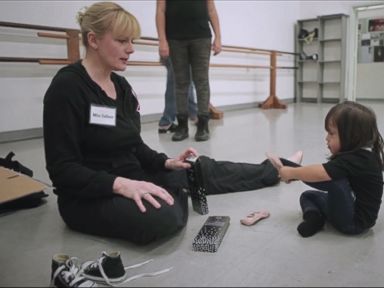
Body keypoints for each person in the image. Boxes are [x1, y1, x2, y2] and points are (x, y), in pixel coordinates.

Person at [43, 2, 302, 246]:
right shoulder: (67, 88)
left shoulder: (121, 87)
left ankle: (276, 170)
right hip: (90, 195)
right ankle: (176, 190)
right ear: (93, 40)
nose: (131, 49)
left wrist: (163, 163)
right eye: (122, 41)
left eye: (132, 41)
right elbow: (62, 169)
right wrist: (121, 185)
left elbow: (132, 143)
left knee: (202, 168)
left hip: (133, 175)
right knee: (163, 217)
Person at [268, 101, 384, 238]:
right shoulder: (357, 156)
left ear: (352, 137)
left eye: (331, 134)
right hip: (346, 206)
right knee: (308, 196)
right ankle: (315, 218)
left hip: (354, 223)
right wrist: (296, 173)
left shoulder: (359, 159)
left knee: (334, 179)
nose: (326, 138)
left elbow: (322, 174)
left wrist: (293, 173)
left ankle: (290, 167)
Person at [156, 0, 222, 142]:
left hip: (202, 37)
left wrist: (218, 37)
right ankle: (182, 126)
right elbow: (160, 11)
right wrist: (162, 40)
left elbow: (211, 10)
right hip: (175, 39)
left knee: (201, 82)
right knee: (181, 83)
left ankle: (203, 125)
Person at [158, 56, 198, 134]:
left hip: (182, 50)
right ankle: (166, 121)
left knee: (186, 82)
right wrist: (163, 44)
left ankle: (194, 114)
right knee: (175, 84)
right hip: (174, 50)